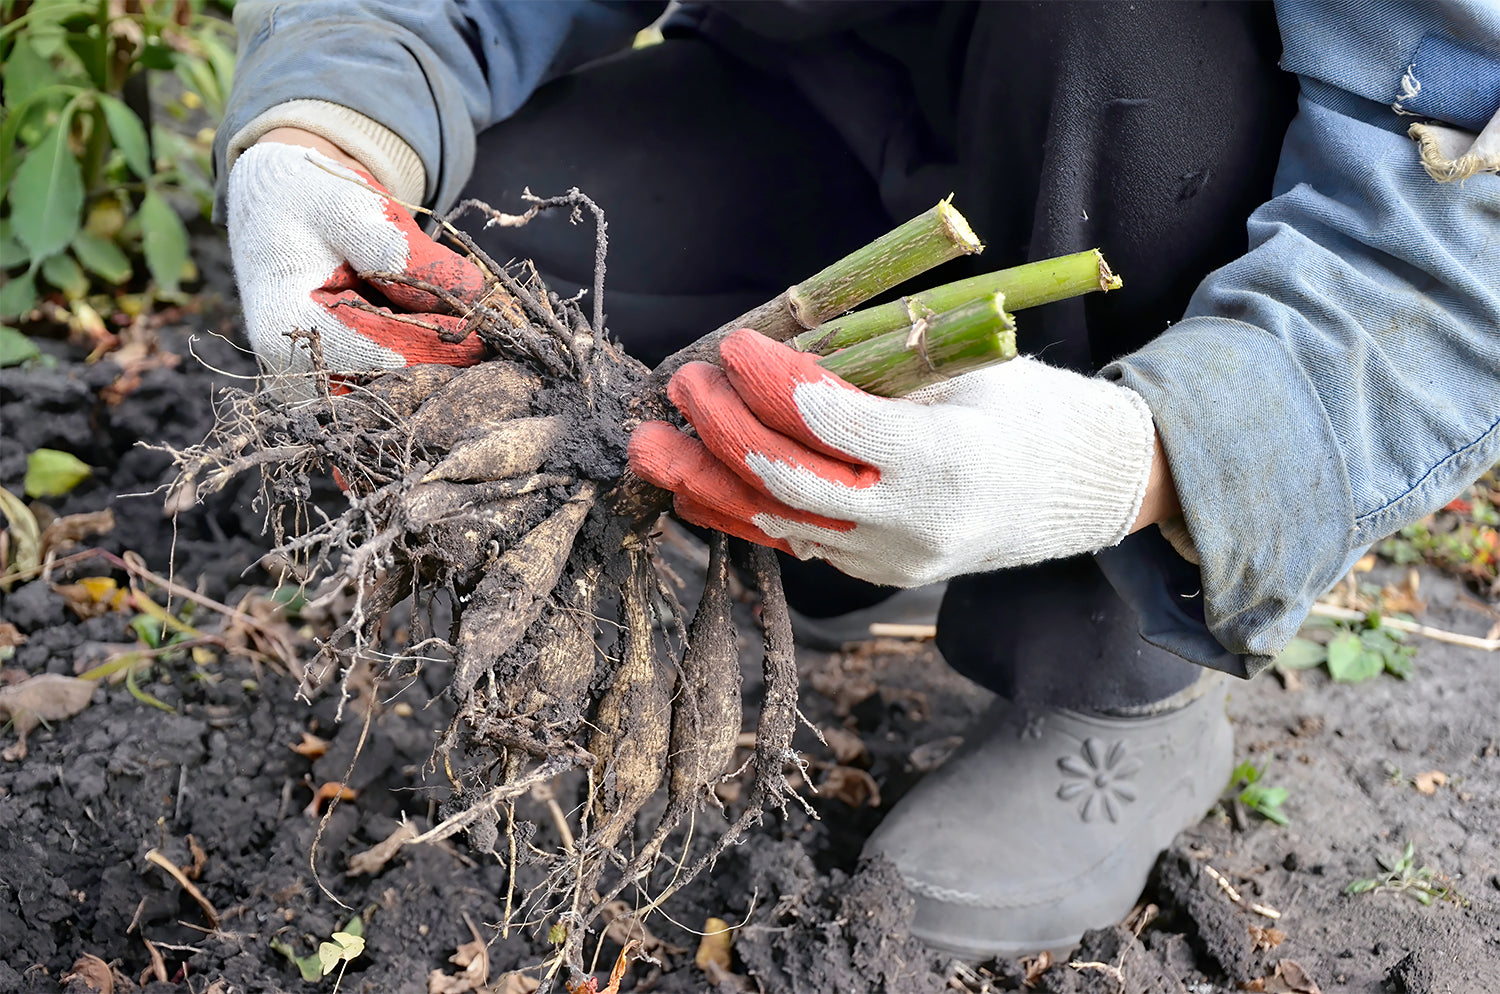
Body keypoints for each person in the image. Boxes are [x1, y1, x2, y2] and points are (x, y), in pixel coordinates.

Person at [216, 0, 1500, 958]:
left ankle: (1113, 671)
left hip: (1159, 162)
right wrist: (325, 119)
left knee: (1123, 36)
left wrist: (1137, 461)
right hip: (821, 112)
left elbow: (1448, 243)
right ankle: (843, 518)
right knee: (455, 242)